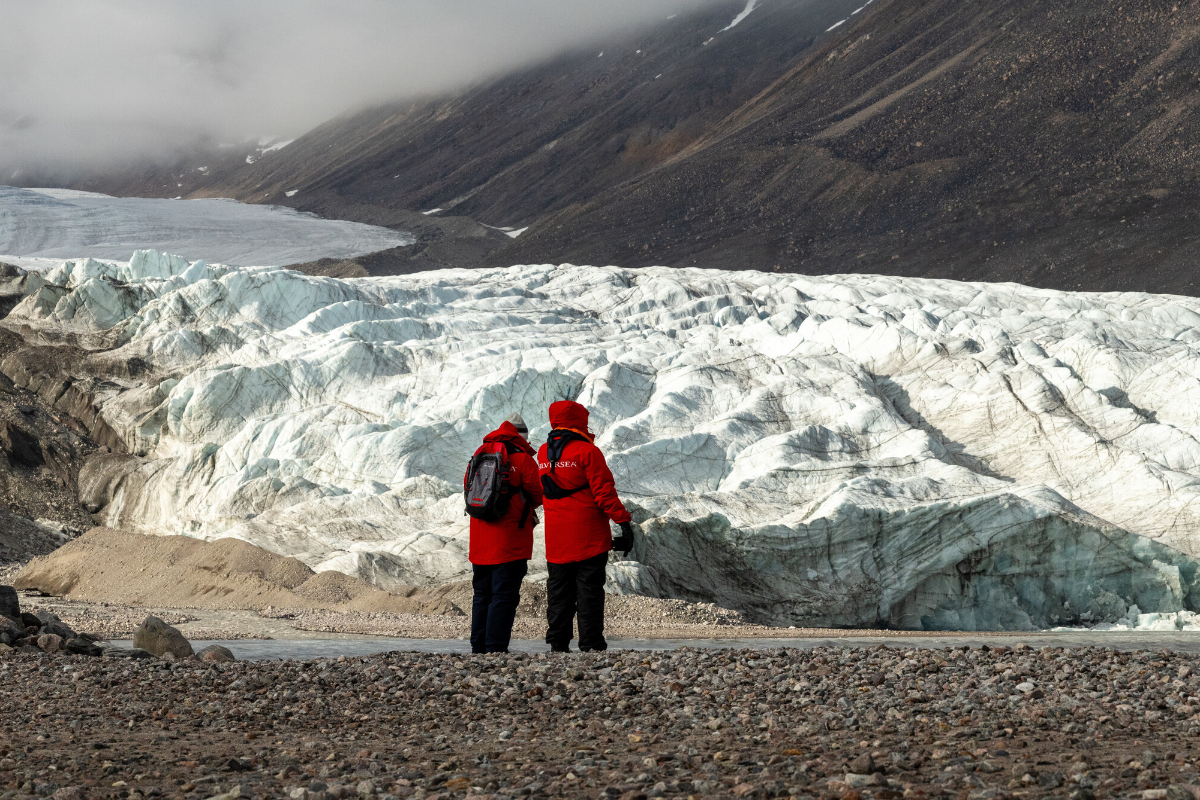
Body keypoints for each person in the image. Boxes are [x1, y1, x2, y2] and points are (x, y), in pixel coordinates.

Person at [537, 400, 634, 653]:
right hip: (588, 538)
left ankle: (558, 644)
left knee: (559, 593)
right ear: (578, 420)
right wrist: (623, 521)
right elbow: (604, 493)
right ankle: (591, 645)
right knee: (588, 592)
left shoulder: (541, 454)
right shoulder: (588, 452)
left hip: (557, 540)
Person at [464, 413, 543, 654]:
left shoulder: (478, 455)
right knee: (504, 595)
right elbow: (539, 494)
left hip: (480, 540)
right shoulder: (523, 459)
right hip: (510, 541)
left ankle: (478, 646)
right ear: (521, 436)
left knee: (482, 594)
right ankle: (496, 647)